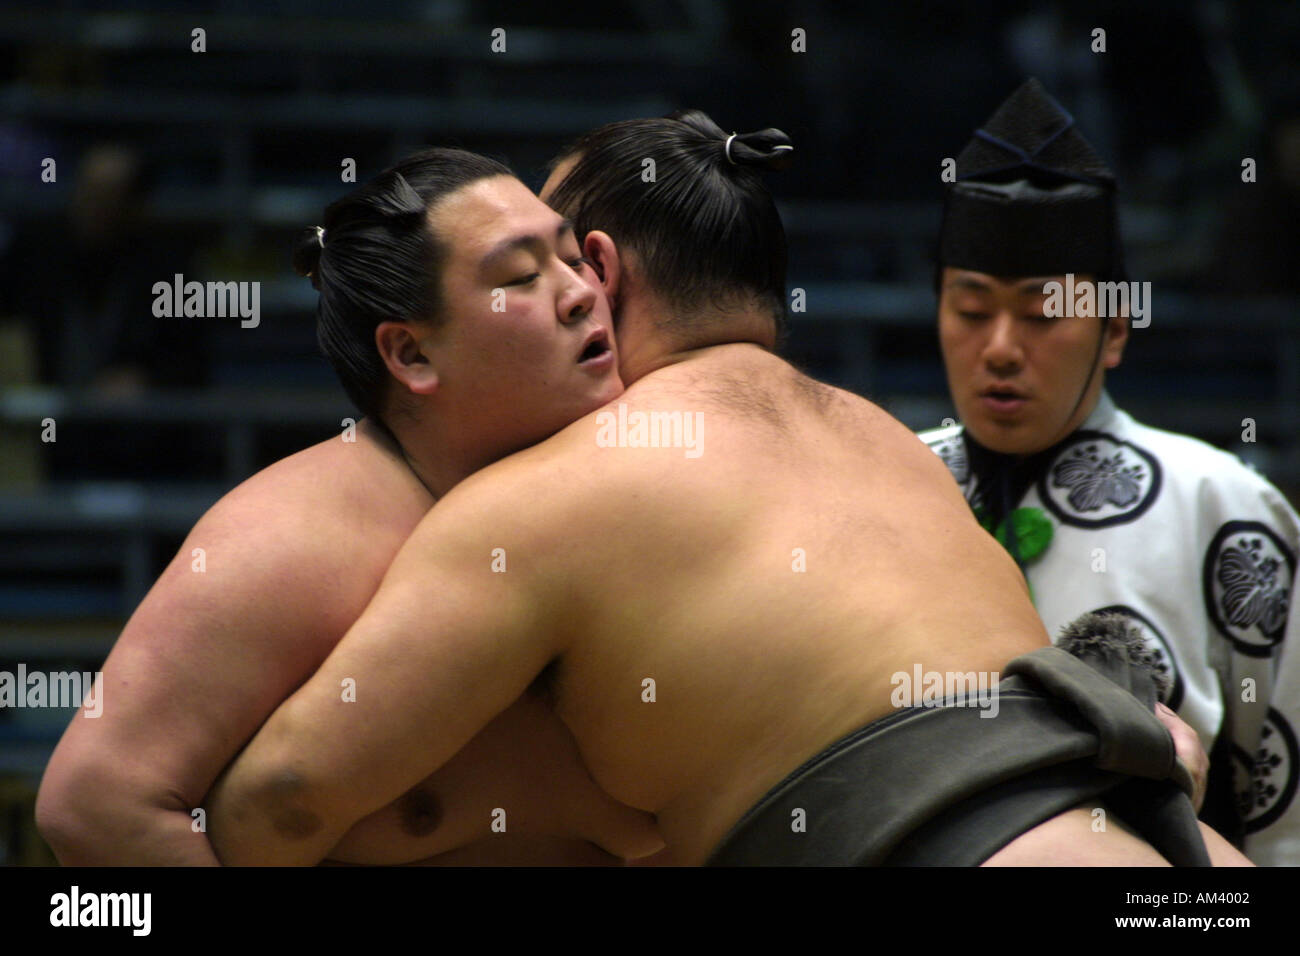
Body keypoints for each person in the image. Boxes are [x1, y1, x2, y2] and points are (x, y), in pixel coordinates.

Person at [203, 110, 1245, 867]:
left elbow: (286, 796)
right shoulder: (892, 443)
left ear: (594, 273)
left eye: (545, 256)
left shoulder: (541, 499)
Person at [35, 148, 664, 866]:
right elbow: (93, 804)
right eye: (520, 277)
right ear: (412, 355)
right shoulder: (288, 543)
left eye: (573, 257)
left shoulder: (652, 473)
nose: (582, 293)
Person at [916, 78, 1300, 864]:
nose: (998, 345)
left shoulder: (1221, 501)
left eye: (1042, 312)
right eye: (971, 306)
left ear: (1115, 328)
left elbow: (1286, 804)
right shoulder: (887, 482)